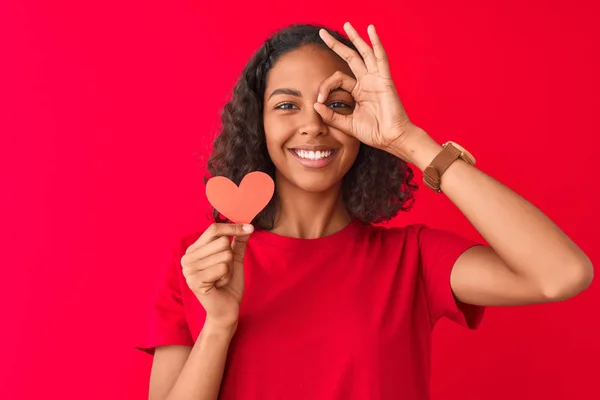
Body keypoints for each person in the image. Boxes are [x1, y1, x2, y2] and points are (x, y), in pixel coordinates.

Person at [136, 22, 594, 400]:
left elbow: (562, 273)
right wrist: (218, 326)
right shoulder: (201, 262)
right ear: (258, 123)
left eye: (337, 105)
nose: (313, 125)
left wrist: (409, 140)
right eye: (287, 105)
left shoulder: (411, 260)